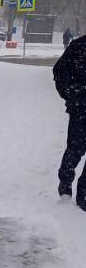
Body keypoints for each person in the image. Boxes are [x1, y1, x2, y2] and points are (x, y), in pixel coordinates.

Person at [53, 32, 86, 210]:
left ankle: (84, 193)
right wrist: (70, 95)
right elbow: (59, 71)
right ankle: (65, 185)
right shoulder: (78, 46)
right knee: (75, 149)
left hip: (79, 105)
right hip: (80, 109)